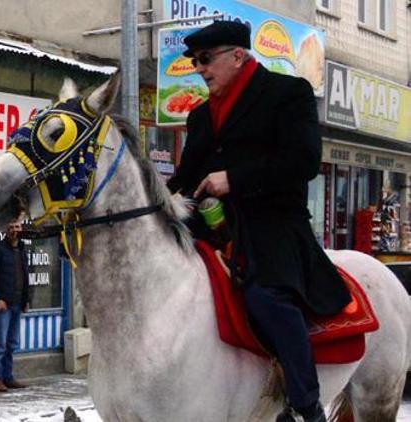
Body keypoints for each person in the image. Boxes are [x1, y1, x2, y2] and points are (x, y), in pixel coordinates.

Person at [167, 21, 351, 422]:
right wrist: (162, 200)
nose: (199, 68)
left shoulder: (288, 94)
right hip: (211, 226)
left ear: (238, 55)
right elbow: (186, 176)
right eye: (195, 61)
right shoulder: (199, 115)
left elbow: (303, 161)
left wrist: (233, 179)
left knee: (267, 299)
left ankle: (305, 406)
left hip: (273, 226)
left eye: (205, 59)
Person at [0, 221, 33, 392]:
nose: (14, 230)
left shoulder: (22, 250)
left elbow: (27, 277)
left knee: (12, 343)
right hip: (1, 305)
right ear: (6, 230)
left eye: (17, 227)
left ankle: (8, 377)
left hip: (17, 304)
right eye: (10, 227)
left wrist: (26, 300)